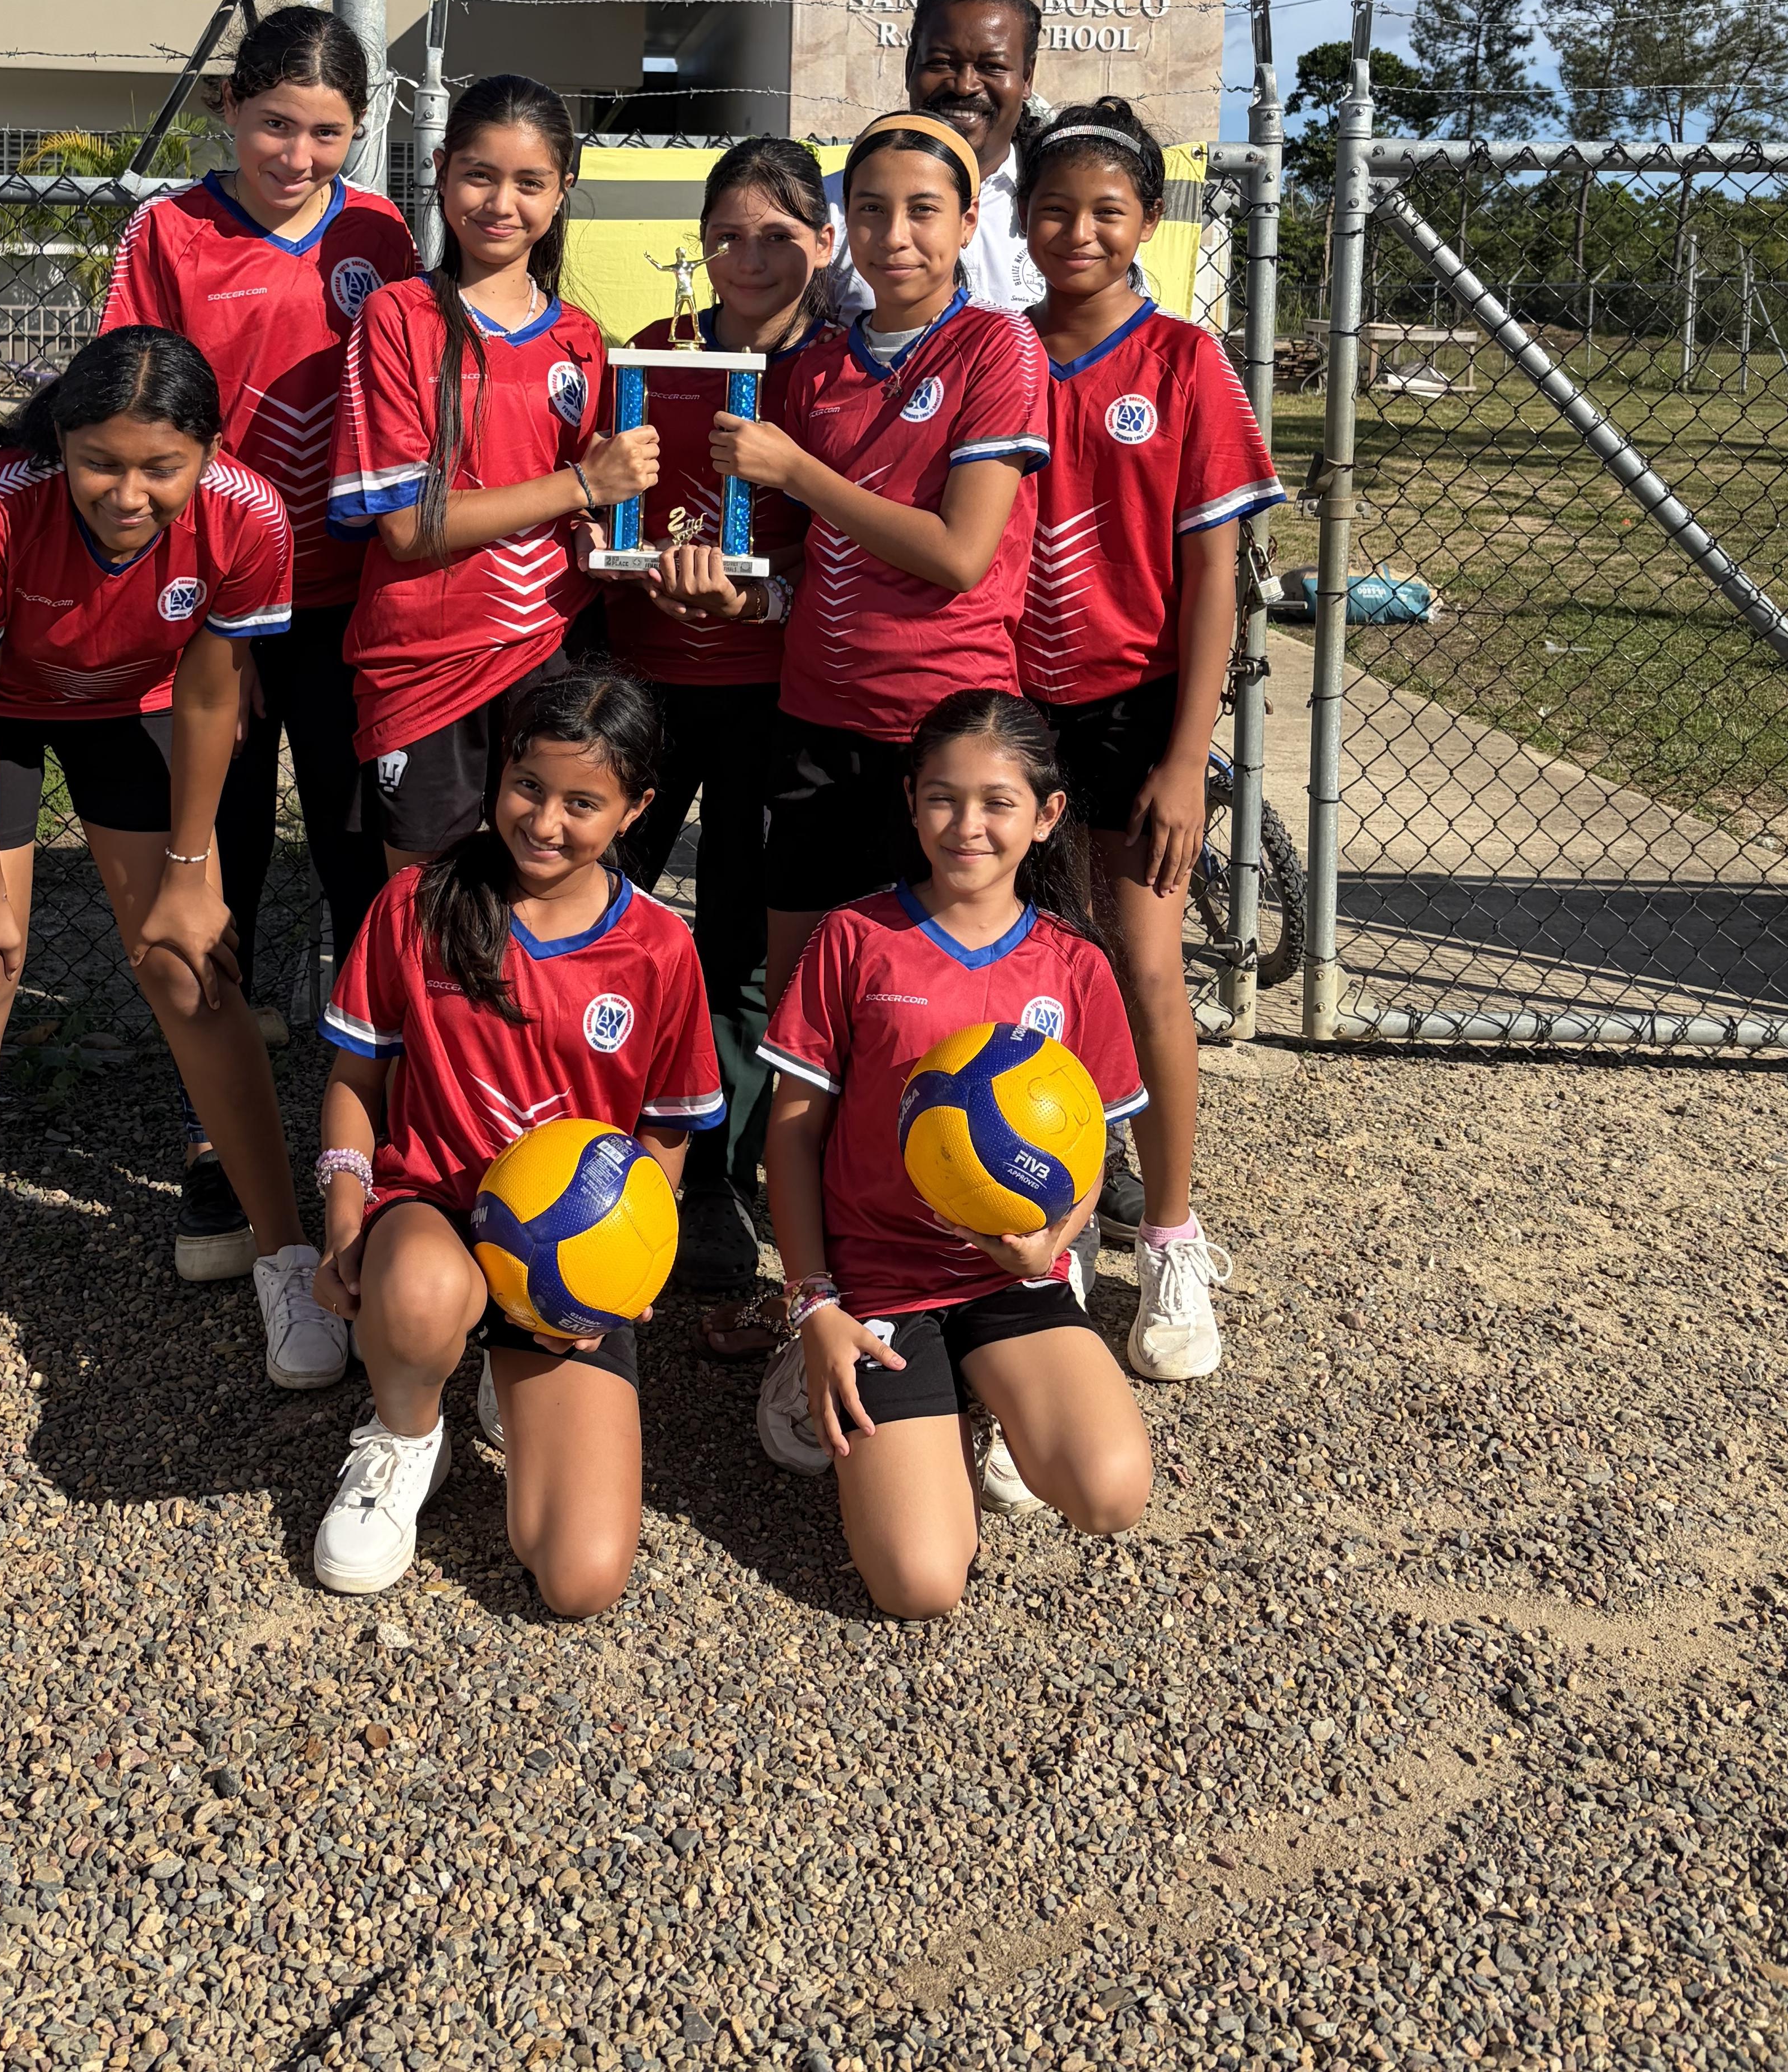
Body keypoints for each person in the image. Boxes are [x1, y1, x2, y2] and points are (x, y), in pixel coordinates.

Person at [0, 325, 346, 1398]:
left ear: (209, 450)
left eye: (161, 467)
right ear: (62, 444)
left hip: (133, 703)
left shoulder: (251, 516)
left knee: (190, 964)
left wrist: (190, 870)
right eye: (100, 464)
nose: (129, 495)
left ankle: (285, 1254)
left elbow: (212, 694)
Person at [101, 5, 420, 1284]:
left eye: (327, 133)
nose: (298, 155)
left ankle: (370, 1132)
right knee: (213, 858)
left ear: (359, 133)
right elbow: (136, 413)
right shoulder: (169, 232)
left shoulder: (378, 235)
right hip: (209, 605)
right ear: (230, 108)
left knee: (354, 859)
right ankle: (216, 1143)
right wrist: (199, 585)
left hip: (344, 601)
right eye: (276, 124)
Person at [308, 669, 723, 1609]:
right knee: (417, 1292)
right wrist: (343, 1222)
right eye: (528, 786)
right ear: (499, 772)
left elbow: (665, 1129)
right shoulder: (418, 903)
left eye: (582, 802)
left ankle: (508, 1362)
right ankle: (406, 1435)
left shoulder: (660, 949)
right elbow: (354, 1081)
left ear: (636, 809)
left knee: (578, 1579)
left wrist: (627, 1262)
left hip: (565, 1255)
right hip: (436, 1213)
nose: (544, 821)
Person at [754, 689, 1152, 1619]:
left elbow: (1089, 1145)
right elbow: (793, 1131)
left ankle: (983, 1393)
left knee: (1109, 1493)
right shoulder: (856, 939)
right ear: (909, 800)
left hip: (1008, 1273)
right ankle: (813, 1361)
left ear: (1047, 815)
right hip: (875, 1281)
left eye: (997, 802)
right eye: (942, 798)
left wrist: (1056, 1236)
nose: (967, 825)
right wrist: (813, 1302)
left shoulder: (1073, 965)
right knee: (919, 1584)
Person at [1015, 98, 1285, 1385]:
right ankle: (1047, 1217)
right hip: (1010, 708)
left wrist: (1186, 758)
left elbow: (1213, 576)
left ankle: (1170, 1234)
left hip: (1132, 705)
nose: (1078, 231)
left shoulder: (1182, 361)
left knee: (1144, 965)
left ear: (1148, 221)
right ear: (1022, 218)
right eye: (1053, 208)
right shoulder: (996, 350)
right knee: (1030, 970)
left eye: (1105, 211)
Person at [701, 111, 1048, 1018]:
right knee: (802, 996)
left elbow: (959, 555)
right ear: (843, 224)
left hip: (942, 725)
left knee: (933, 998)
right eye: (870, 209)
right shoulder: (821, 368)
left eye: (923, 211)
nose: (895, 235)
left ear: (969, 222)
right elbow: (816, 552)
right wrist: (732, 587)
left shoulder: (998, 347)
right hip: (816, 715)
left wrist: (801, 473)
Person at [601, 138, 831, 1296]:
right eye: (727, 235)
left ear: (822, 245)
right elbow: (609, 508)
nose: (748, 258)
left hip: (766, 693)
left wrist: (757, 598)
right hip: (644, 682)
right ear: (699, 244)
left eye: (777, 236)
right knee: (606, 908)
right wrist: (610, 545)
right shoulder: (654, 355)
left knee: (739, 936)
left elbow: (840, 548)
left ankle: (719, 1180)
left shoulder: (831, 379)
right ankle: (600, 1138)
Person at [329, 72, 657, 869]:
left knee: (551, 882)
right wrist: (582, 488)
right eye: (480, 175)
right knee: (426, 896)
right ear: (441, 171)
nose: (501, 203)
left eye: (530, 183)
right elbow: (408, 528)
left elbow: (586, 508)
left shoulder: (582, 338)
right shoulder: (398, 317)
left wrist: (597, 532)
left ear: (563, 190)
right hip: (426, 659)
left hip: (551, 649)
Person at [827, 0, 1047, 315]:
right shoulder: (830, 209)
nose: (965, 85)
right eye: (942, 63)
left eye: (991, 66)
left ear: (1027, 78)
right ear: (910, 67)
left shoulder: (1063, 213)